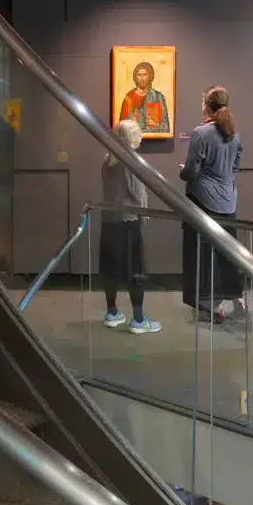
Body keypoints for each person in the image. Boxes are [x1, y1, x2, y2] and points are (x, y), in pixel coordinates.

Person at [179, 86, 245, 324]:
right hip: (228, 200)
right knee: (228, 253)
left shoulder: (201, 133)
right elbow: (235, 166)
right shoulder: (234, 133)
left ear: (207, 105)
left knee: (203, 255)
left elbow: (190, 171)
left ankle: (211, 306)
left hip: (203, 200)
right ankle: (237, 299)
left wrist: (183, 172)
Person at [99, 118, 159, 334]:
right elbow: (138, 193)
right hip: (128, 222)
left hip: (109, 221)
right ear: (131, 137)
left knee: (111, 270)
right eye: (138, 133)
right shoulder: (131, 159)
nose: (141, 136)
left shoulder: (108, 159)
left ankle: (112, 313)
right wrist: (144, 216)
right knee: (136, 271)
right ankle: (139, 321)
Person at [117, 59, 171, 136]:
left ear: (150, 77)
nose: (142, 78)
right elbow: (122, 126)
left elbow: (165, 125)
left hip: (153, 139)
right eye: (139, 75)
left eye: (145, 75)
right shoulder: (129, 98)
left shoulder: (157, 96)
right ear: (135, 77)